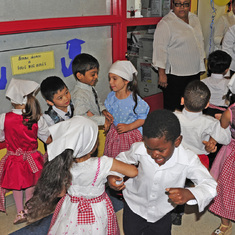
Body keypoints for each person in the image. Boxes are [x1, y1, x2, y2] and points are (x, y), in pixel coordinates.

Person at [108, 109, 217, 235]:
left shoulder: (188, 159)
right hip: (134, 206)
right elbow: (122, 160)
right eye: (149, 148)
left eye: (161, 150)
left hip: (162, 212)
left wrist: (190, 193)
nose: (154, 154)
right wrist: (114, 175)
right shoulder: (139, 149)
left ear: (177, 141)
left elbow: (210, 185)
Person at [26, 116, 138, 235]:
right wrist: (111, 173)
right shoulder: (103, 163)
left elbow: (61, 192)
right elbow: (133, 171)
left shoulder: (63, 165)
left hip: (71, 208)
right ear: (93, 146)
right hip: (98, 211)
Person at [0, 78, 51, 224]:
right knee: (30, 184)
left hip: (14, 159)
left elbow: (1, 137)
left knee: (17, 186)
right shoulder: (37, 118)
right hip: (32, 158)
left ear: (12, 100)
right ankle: (29, 210)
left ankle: (20, 212)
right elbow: (47, 139)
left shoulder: (4, 118)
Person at [152, 0, 206, 111]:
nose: (182, 7)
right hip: (175, 75)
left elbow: (199, 42)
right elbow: (160, 49)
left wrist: (201, 64)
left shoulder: (194, 19)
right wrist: (161, 73)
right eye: (178, 4)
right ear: (172, 4)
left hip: (194, 71)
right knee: (175, 108)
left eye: (185, 4)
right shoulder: (166, 23)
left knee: (192, 106)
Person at [174, 80, 231, 169]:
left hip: (177, 157)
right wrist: (222, 122)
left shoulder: (173, 117)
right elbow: (226, 140)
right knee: (201, 182)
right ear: (207, 105)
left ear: (182, 100)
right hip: (199, 160)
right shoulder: (210, 122)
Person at [104, 60, 150, 159]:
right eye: (110, 78)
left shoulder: (135, 100)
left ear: (126, 81)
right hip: (114, 136)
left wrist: (129, 127)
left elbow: (142, 119)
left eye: (114, 79)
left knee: (129, 160)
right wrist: (107, 121)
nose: (110, 82)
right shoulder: (111, 97)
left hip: (130, 137)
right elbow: (109, 114)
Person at [71, 53, 113, 157]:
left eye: (97, 73)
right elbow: (80, 118)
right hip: (86, 135)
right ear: (80, 76)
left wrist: (103, 110)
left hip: (94, 129)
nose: (96, 77)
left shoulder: (89, 87)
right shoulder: (79, 95)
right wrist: (102, 120)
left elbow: (97, 101)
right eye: (93, 74)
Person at [209, 75, 235, 235]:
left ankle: (225, 223)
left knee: (224, 187)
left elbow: (223, 126)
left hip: (232, 154)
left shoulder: (230, 112)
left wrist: (222, 117)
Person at [202, 50, 231, 117]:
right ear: (227, 70)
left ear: (209, 66)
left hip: (205, 113)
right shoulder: (229, 83)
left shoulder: (203, 82)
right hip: (223, 115)